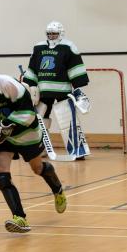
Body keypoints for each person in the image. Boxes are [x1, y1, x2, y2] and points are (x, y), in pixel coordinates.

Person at [0, 51, 67, 233]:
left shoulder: (6, 84)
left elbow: (29, 113)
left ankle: (58, 189)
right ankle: (20, 218)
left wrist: (7, 125)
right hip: (1, 138)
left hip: (26, 133)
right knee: (2, 177)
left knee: (38, 168)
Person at [22, 21, 90, 159]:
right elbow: (33, 68)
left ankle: (77, 150)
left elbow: (75, 67)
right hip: (43, 91)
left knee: (68, 120)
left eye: (54, 33)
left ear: (61, 33)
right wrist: (31, 86)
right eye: (49, 33)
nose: (51, 36)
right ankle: (40, 149)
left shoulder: (68, 46)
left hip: (63, 91)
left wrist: (78, 88)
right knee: (39, 118)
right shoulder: (38, 47)